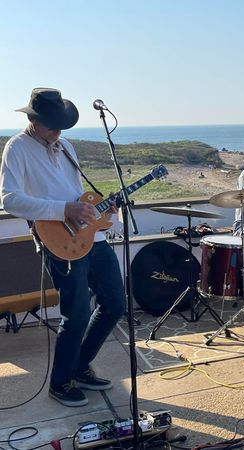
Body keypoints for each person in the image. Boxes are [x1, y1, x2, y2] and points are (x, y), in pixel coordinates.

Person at [0, 88, 126, 407]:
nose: (57, 131)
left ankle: (79, 367)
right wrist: (63, 210)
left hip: (91, 237)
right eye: (51, 125)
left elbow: (76, 193)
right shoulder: (17, 147)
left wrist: (100, 210)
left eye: (61, 125)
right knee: (77, 313)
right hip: (58, 241)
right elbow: (9, 199)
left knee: (115, 303)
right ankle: (60, 383)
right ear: (32, 119)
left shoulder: (66, 146)